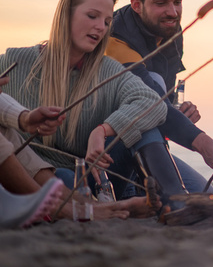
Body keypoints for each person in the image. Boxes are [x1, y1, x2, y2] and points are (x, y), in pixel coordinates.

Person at [0, 0, 187, 212]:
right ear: (66, 15)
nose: (101, 27)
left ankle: (174, 202)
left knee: (143, 125)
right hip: (37, 176)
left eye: (108, 21)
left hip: (97, 178)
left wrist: (103, 130)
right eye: (92, 16)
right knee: (66, 179)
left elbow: (154, 103)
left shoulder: (107, 70)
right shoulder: (16, 61)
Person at [106, 0, 213, 193]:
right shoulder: (115, 39)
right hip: (111, 152)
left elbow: (164, 101)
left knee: (207, 195)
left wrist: (177, 110)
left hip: (153, 148)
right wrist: (206, 146)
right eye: (160, 3)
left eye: (177, 2)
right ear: (136, 4)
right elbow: (150, 103)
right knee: (150, 84)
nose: (172, 12)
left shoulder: (170, 30)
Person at [0, 75, 155, 220]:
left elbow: (152, 101)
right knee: (66, 176)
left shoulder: (109, 67)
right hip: (64, 172)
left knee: (6, 132)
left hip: (61, 177)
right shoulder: (18, 58)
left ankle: (90, 205)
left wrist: (24, 118)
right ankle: (55, 208)